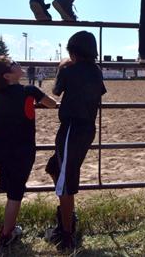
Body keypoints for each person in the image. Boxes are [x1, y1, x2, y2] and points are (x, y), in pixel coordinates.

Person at [0, 56, 56, 252]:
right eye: (13, 64)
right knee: (15, 194)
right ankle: (6, 235)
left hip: (0, 147)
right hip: (23, 152)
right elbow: (52, 104)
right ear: (8, 75)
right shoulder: (29, 90)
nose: (18, 63)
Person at [44, 31, 106, 251]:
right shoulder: (96, 71)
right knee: (54, 168)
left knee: (66, 183)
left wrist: (61, 68)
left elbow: (56, 91)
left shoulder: (68, 70)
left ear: (73, 52)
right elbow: (98, 91)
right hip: (86, 128)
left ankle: (66, 234)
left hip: (71, 130)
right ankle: (67, 217)